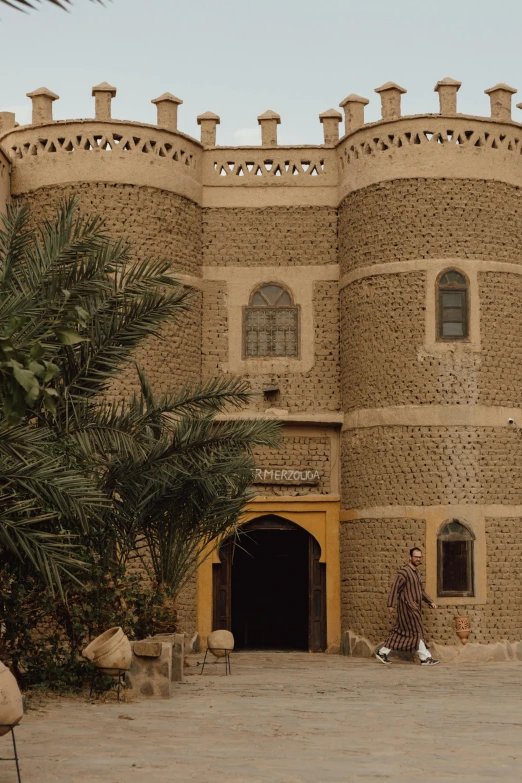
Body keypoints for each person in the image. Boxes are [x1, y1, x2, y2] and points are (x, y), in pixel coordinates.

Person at [375, 547, 439, 666]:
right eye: (416, 557)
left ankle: (382, 652)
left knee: (400, 632)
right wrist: (391, 604)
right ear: (410, 557)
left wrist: (430, 601)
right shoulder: (404, 571)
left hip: (414, 606)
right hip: (407, 607)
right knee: (417, 629)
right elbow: (395, 588)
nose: (418, 559)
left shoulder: (417, 573)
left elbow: (421, 591)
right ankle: (425, 657)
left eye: (420, 557)